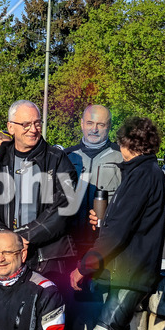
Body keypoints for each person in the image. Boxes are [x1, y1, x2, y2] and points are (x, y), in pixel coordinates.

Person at [70, 117, 165, 330]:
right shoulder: (148, 173)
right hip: (132, 271)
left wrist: (85, 266)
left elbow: (120, 230)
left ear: (126, 144)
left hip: (131, 273)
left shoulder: (142, 174)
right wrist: (108, 216)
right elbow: (128, 222)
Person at [0, 100, 79, 294]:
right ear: (11, 127)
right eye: (26, 124)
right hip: (7, 260)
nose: (33, 129)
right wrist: (1, 239)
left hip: (48, 260)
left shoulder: (58, 160)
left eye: (37, 123)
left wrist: (22, 236)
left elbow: (63, 209)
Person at [65, 105, 123, 255]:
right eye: (90, 123)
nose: (94, 129)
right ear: (82, 123)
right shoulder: (66, 157)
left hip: (107, 243)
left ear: (109, 126)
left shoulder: (122, 157)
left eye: (100, 124)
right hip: (71, 242)